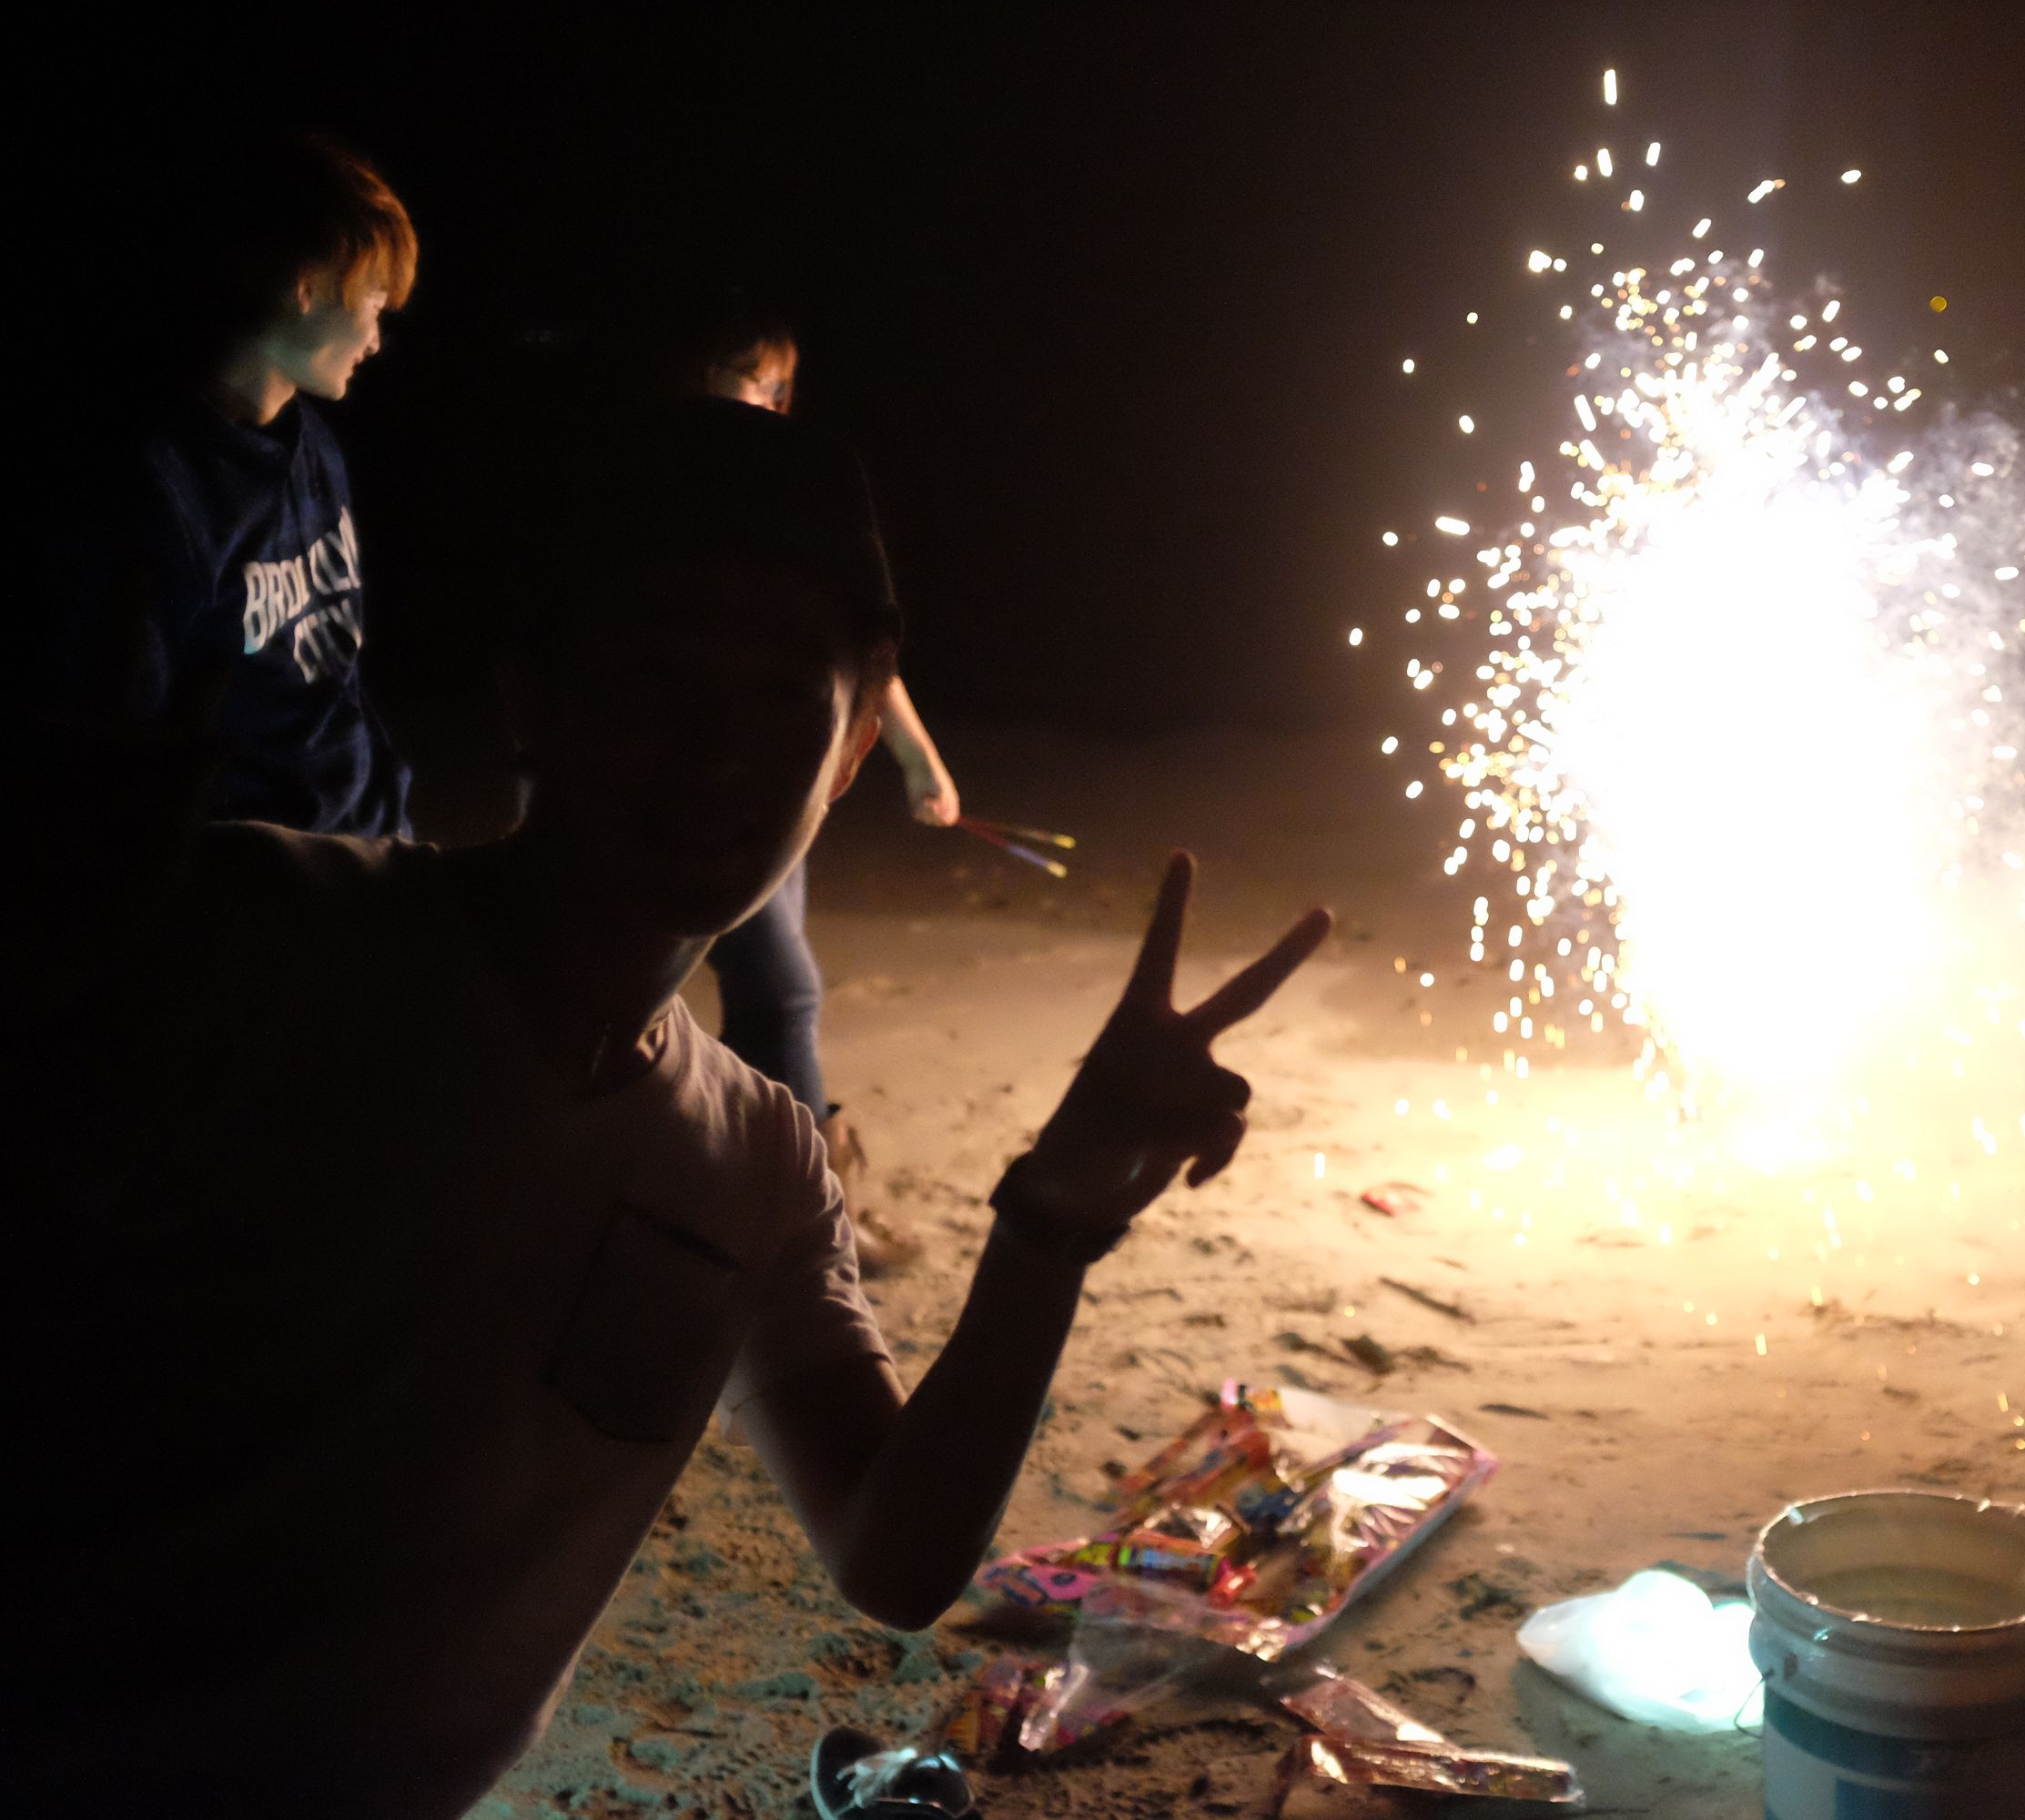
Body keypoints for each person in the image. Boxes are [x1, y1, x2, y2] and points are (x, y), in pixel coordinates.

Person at [5, 399, 1331, 1815]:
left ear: (858, 729)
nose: (713, 758)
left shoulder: (755, 1161)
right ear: (531, 693)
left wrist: (1052, 1219)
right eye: (654, 685)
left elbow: (894, 1555)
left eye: (778, 698)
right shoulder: (259, 936)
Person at [664, 292, 961, 1235]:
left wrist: (916, 757)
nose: (768, 398)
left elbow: (862, 641)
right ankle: (792, 1207)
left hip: (787, 770)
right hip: (688, 770)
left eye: (780, 383)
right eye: (753, 375)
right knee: (762, 986)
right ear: (702, 372)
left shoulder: (801, 483)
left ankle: (776, 1189)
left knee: (769, 993)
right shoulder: (659, 482)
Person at [39, 131, 419, 836]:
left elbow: (333, 678)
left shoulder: (313, 444)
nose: (377, 337)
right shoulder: (154, 498)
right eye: (374, 300)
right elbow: (128, 756)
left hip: (370, 828)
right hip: (269, 883)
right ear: (309, 286)